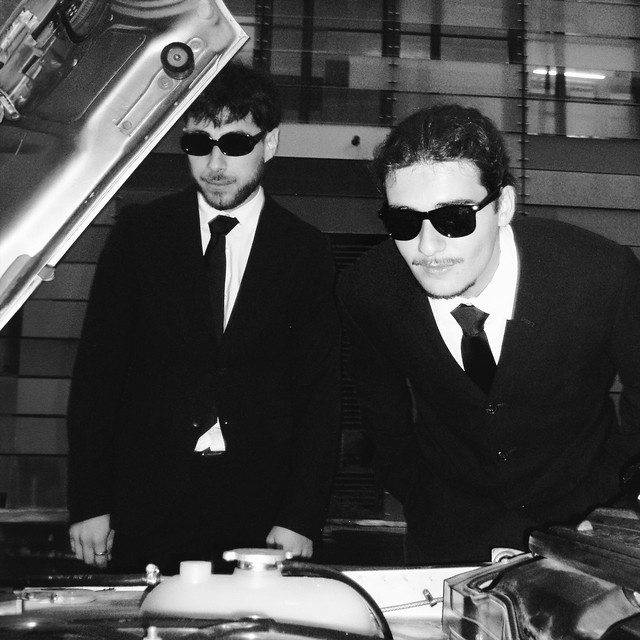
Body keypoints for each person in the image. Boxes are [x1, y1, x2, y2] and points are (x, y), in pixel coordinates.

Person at [67, 61, 341, 573]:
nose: (216, 164)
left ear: (270, 143)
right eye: (199, 144)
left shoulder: (305, 250)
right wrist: (89, 501)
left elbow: (319, 393)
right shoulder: (139, 235)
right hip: (145, 504)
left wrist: (301, 515)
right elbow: (97, 376)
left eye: (235, 144)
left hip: (260, 511)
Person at [337, 103, 640, 565]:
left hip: (582, 530)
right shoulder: (369, 291)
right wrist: (420, 496)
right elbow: (382, 414)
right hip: (446, 535)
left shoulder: (599, 275)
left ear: (503, 207)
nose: (427, 247)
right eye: (403, 221)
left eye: (453, 218)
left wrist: (609, 502)